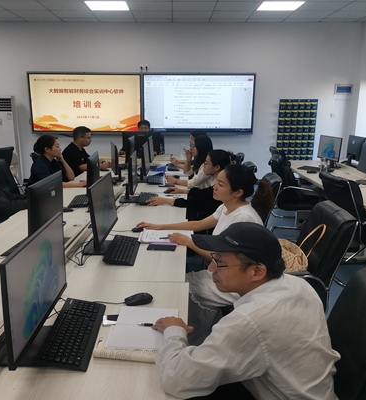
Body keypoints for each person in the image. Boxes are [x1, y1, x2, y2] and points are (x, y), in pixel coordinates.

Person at [152, 222, 339, 399]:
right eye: (214, 258)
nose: (211, 268)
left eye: (220, 263)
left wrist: (174, 331)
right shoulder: (298, 284)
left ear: (256, 272)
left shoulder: (251, 319)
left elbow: (175, 380)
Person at [136, 163, 274, 261]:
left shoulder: (242, 218)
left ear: (238, 192)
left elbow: (222, 260)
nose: (214, 187)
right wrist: (158, 227)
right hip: (221, 271)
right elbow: (198, 224)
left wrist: (188, 242)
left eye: (221, 184)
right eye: (216, 182)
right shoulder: (226, 206)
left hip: (234, 282)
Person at [147, 150, 232, 224]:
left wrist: (165, 200)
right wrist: (182, 191)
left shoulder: (218, 188)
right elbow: (201, 193)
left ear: (217, 167)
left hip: (203, 224)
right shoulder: (215, 183)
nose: (203, 166)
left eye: (206, 163)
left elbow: (194, 203)